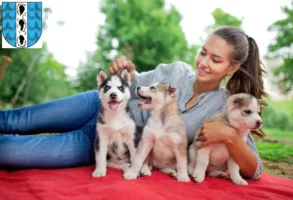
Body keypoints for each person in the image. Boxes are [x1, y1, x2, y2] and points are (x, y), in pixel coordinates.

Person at [0, 26, 267, 180]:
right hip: (99, 105)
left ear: (233, 68)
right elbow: (133, 81)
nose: (204, 62)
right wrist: (124, 68)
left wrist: (231, 137)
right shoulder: (175, 71)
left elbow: (254, 169)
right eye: (203, 52)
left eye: (216, 60)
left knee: (12, 151)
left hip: (110, 144)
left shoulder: (226, 107)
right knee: (17, 120)